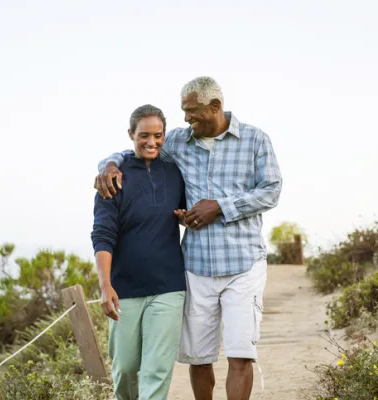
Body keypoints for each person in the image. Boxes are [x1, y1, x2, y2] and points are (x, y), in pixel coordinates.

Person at [95, 77, 283, 400]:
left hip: (244, 265)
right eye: (184, 112)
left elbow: (272, 191)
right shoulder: (179, 142)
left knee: (239, 355)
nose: (186, 119)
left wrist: (219, 207)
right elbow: (137, 148)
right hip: (196, 267)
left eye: (193, 112)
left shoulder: (255, 140)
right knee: (199, 359)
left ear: (215, 107)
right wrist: (107, 164)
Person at [91, 104, 187, 400]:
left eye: (158, 135)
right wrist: (105, 286)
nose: (151, 142)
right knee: (125, 369)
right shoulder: (113, 178)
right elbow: (103, 236)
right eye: (144, 135)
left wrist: (186, 215)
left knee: (156, 371)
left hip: (169, 288)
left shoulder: (175, 172)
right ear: (131, 134)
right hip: (125, 289)